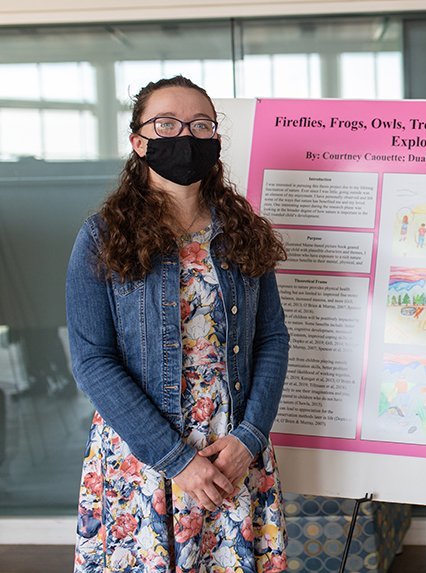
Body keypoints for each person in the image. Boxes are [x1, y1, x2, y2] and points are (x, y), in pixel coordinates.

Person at [66, 76, 290, 572]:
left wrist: (249, 438)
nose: (184, 136)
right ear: (138, 141)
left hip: (232, 451)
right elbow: (91, 360)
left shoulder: (242, 230)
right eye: (166, 123)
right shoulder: (100, 237)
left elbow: (272, 338)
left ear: (214, 141)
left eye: (200, 125)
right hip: (144, 454)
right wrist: (178, 460)